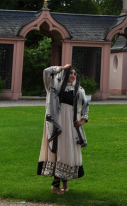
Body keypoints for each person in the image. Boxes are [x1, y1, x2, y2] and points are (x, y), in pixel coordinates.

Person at [37, 64, 89, 195]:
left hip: (71, 125)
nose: (72, 76)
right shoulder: (55, 86)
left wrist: (82, 120)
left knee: (68, 151)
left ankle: (65, 180)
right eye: (70, 73)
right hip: (58, 124)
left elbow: (85, 105)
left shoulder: (78, 90)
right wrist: (60, 68)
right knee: (59, 151)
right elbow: (46, 72)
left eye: (74, 74)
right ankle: (55, 186)